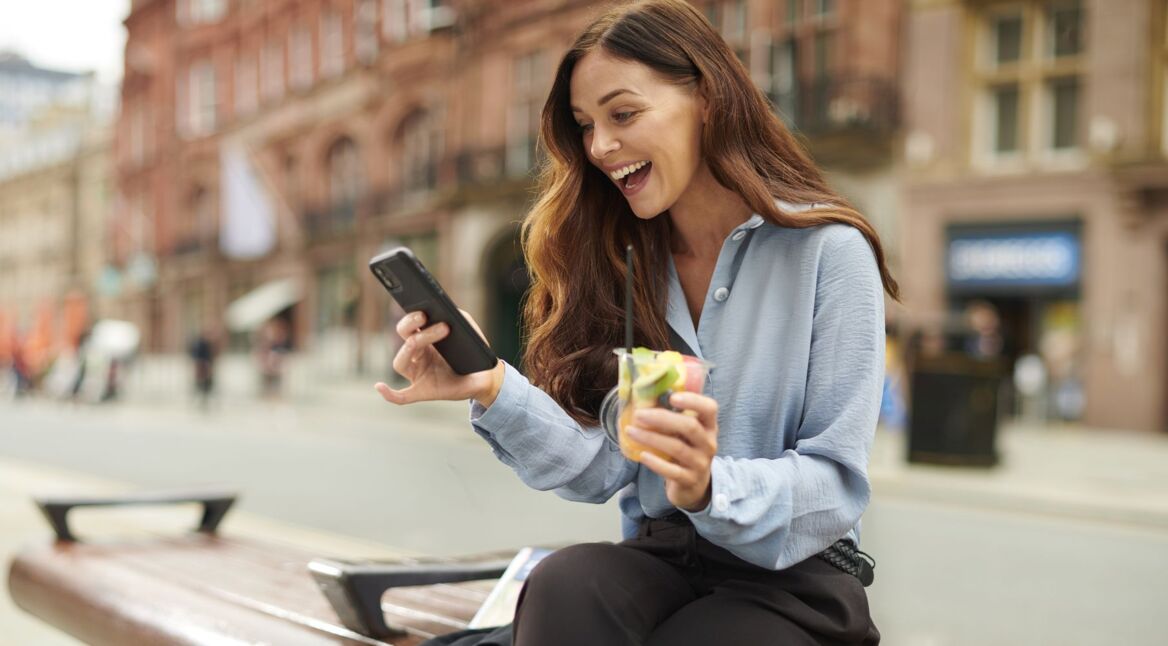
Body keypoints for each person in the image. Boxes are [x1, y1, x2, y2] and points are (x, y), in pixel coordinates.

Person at [376, 1, 898, 644]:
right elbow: (605, 469)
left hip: (791, 578)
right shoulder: (624, 263)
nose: (599, 146)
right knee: (566, 584)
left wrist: (709, 485)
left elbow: (835, 482)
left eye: (623, 114)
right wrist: (489, 383)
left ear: (706, 96)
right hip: (663, 557)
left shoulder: (828, 252)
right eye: (585, 124)